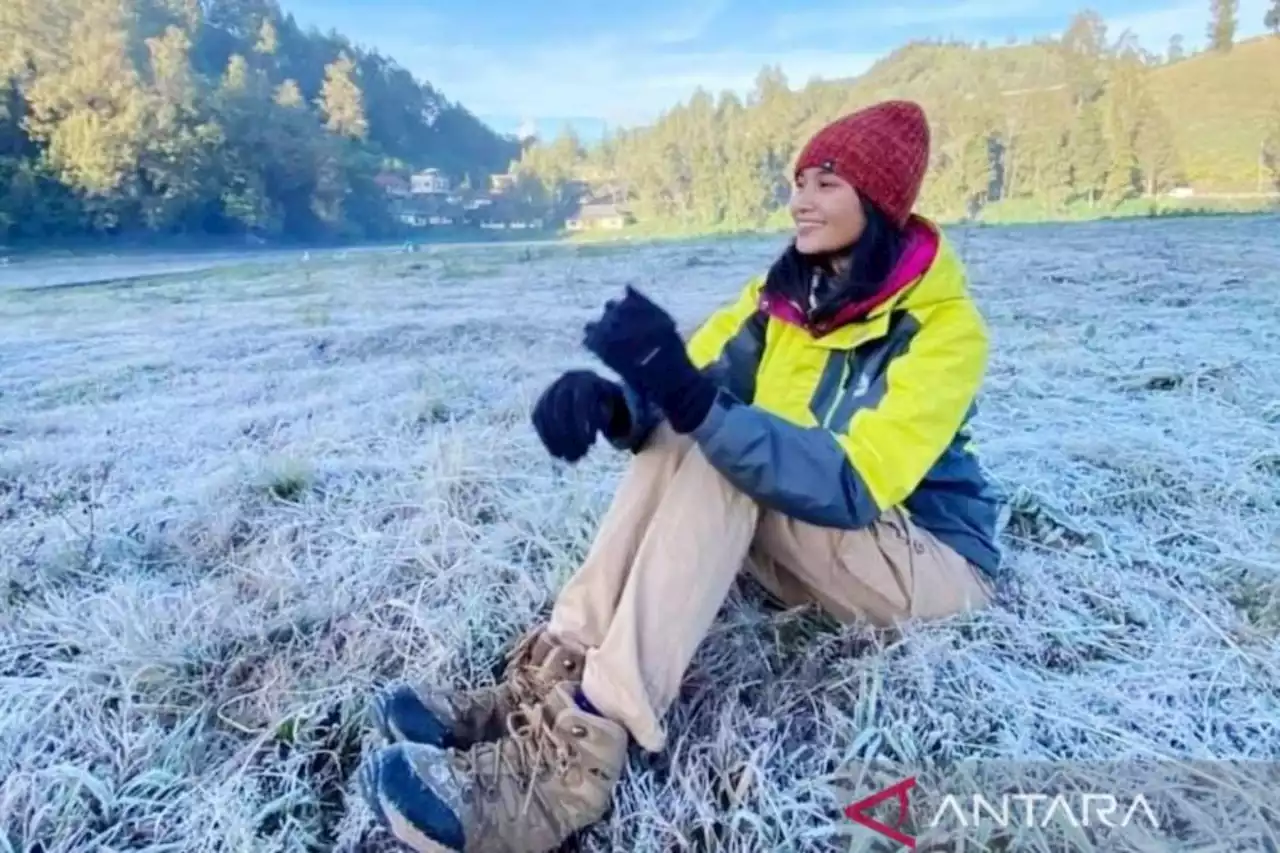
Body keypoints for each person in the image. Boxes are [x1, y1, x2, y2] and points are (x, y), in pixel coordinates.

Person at [356, 99, 1003, 853]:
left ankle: (578, 755)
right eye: (799, 180)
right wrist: (619, 406)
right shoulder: (783, 301)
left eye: (828, 182)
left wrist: (695, 404)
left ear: (881, 200)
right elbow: (692, 390)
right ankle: (553, 671)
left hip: (922, 562)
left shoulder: (943, 329)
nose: (801, 199)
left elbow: (852, 483)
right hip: (815, 539)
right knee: (699, 433)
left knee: (730, 450)